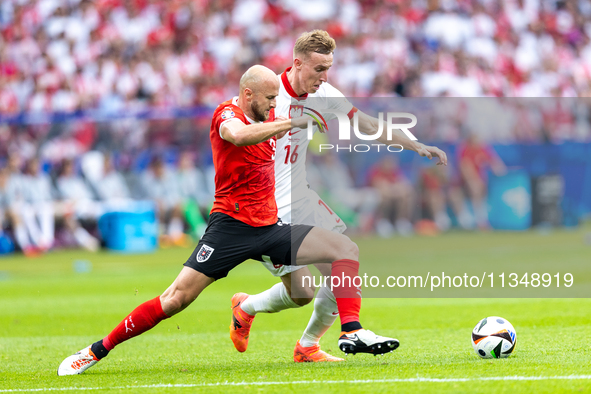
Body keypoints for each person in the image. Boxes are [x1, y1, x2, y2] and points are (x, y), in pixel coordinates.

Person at [57, 65, 399, 376]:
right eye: (269, 98)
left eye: (276, 98)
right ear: (248, 94)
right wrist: (290, 123)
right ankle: (95, 351)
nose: (273, 104)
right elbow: (238, 135)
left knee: (339, 255)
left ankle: (349, 330)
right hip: (230, 229)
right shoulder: (227, 113)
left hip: (270, 227)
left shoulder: (270, 113)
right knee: (175, 299)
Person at [231, 30, 448, 363]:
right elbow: (235, 137)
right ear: (297, 63)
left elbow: (364, 123)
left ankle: (309, 345)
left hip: (301, 197)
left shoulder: (325, 93)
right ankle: (246, 308)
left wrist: (414, 143)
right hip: (268, 211)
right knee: (302, 293)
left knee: (343, 263)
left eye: (329, 68)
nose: (325, 76)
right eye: (319, 68)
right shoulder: (268, 95)